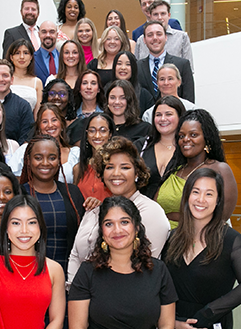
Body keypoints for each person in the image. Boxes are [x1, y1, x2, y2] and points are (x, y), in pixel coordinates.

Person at [163, 168, 241, 329]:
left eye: (209, 194)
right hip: (175, 324)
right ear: (187, 196)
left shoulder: (231, 240)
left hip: (211, 323)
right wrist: (174, 323)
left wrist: (209, 312)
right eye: (196, 192)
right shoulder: (172, 238)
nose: (201, 199)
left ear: (218, 200)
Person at [67, 136, 170, 285]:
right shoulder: (94, 210)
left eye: (125, 167)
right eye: (109, 167)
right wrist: (76, 291)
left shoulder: (151, 212)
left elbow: (144, 261)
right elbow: (75, 255)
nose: (116, 173)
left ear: (137, 174)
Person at [68, 196, 177, 329]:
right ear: (102, 232)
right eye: (109, 224)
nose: (117, 230)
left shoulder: (158, 270)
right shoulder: (87, 272)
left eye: (124, 222)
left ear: (136, 227)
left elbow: (166, 325)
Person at [0, 195, 66, 329]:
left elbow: (57, 321)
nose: (24, 230)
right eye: (16, 223)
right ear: (6, 228)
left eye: (32, 222)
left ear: (41, 226)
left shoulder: (54, 269)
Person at [156, 109, 238, 228]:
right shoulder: (174, 171)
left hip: (199, 241)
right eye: (181, 136)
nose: (186, 139)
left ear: (206, 138)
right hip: (163, 240)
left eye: (193, 135)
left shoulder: (219, 169)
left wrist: (176, 216)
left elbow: (220, 217)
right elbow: (155, 209)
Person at [20, 134, 86, 272]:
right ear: (28, 160)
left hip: (67, 277)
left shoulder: (73, 193)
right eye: (38, 157)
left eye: (52, 157)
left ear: (59, 160)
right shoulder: (18, 194)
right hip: (28, 275)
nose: (45, 163)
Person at [9, 104, 80, 183]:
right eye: (45, 121)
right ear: (39, 127)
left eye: (54, 120)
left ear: (62, 124)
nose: (50, 125)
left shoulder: (75, 154)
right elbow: (10, 178)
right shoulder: (25, 150)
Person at [134, 96, 187, 200]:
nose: (163, 119)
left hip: (178, 212)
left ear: (180, 117)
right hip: (143, 210)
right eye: (158, 115)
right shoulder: (141, 146)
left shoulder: (187, 147)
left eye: (168, 114)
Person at [137, 21, 195, 102]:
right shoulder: (136, 67)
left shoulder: (182, 64)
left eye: (159, 34)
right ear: (144, 40)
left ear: (166, 37)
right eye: (150, 35)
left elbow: (189, 98)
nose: (155, 38)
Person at [135, 0, 194, 72]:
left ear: (169, 15)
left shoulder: (182, 37)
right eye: (155, 14)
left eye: (163, 13)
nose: (159, 18)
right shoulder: (141, 40)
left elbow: (189, 69)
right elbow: (136, 70)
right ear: (150, 16)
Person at [73, 113, 115, 202]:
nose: (97, 136)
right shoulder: (79, 169)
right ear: (87, 134)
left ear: (110, 134)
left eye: (103, 130)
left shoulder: (116, 167)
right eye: (92, 131)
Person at [66, 70, 107, 145]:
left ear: (98, 89)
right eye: (85, 83)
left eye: (93, 83)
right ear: (79, 88)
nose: (89, 87)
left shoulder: (107, 113)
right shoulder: (70, 114)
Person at [112, 51, 155, 117]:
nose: (123, 68)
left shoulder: (144, 94)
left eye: (128, 64)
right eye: (119, 64)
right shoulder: (106, 90)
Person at [6, 39, 43, 114]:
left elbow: (37, 113)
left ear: (31, 57)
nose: (22, 57)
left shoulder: (37, 82)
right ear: (11, 57)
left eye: (26, 53)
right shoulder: (5, 79)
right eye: (17, 53)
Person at [34, 20, 60, 85]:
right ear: (38, 34)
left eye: (52, 32)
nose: (48, 35)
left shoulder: (64, 58)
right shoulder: (31, 59)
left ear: (57, 35)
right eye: (44, 32)